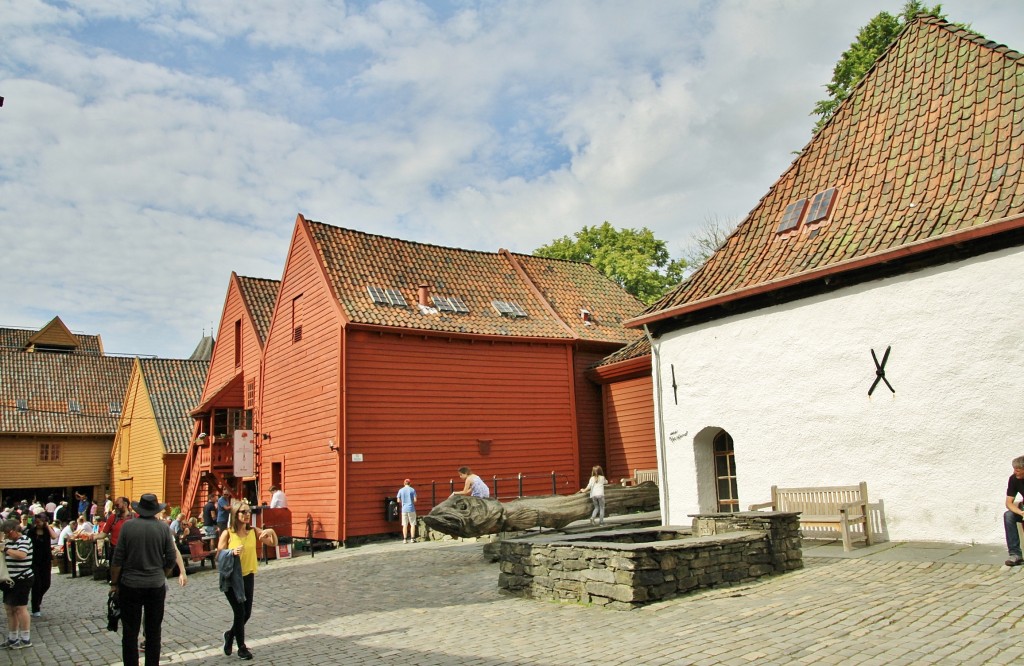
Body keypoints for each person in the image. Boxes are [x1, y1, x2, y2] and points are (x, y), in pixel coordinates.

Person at [110, 493, 181, 666]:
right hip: (155, 585)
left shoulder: (128, 527)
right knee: (153, 631)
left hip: (130, 584)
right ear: (156, 509)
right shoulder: (163, 528)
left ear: (139, 509)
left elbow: (117, 559)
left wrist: (114, 584)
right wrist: (162, 573)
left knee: (130, 632)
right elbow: (171, 557)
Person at [218, 501, 277, 661]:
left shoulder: (253, 531)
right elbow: (219, 554)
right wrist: (231, 552)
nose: (247, 515)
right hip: (231, 577)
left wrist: (270, 531)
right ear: (235, 514)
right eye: (243, 512)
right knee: (239, 612)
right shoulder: (228, 533)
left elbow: (273, 543)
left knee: (247, 613)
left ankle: (230, 635)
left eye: (248, 512)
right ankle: (241, 647)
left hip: (248, 575)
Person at [2, 518, 33, 649]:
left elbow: (22, 555)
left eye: (8, 533)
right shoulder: (7, 541)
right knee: (9, 609)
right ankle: (12, 637)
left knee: (21, 608)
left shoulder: (25, 540)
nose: (7, 536)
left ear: (15, 530)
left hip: (23, 579)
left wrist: (5, 549)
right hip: (10, 580)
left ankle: (26, 639)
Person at [27, 512, 56, 618]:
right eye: (37, 522)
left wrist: (47, 526)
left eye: (41, 522)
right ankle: (35, 607)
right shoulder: (31, 532)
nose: (38, 524)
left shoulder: (47, 531)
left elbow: (54, 536)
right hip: (34, 561)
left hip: (46, 560)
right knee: (36, 584)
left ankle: (37, 600)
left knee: (46, 584)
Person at [1004, 456, 1024, 566]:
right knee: (1008, 515)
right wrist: (1020, 512)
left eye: (1017, 469)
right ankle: (1015, 554)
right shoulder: (1013, 479)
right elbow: (1009, 503)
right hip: (1023, 509)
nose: (1014, 472)